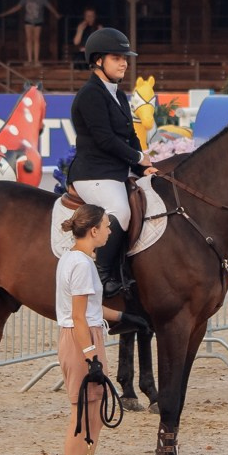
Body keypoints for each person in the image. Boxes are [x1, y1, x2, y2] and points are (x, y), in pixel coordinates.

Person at [69, 27, 155, 296]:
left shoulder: (117, 94)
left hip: (115, 171)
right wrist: (138, 157)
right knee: (121, 210)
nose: (124, 62)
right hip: (92, 173)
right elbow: (105, 140)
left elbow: (130, 135)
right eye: (117, 57)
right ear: (98, 60)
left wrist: (144, 166)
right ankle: (103, 275)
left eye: (125, 57)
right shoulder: (90, 95)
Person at [55, 203, 117, 455]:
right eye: (106, 225)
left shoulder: (73, 259)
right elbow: (79, 317)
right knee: (82, 417)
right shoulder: (81, 265)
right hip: (82, 340)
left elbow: (89, 309)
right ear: (93, 230)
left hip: (85, 336)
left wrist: (122, 317)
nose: (109, 230)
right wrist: (92, 356)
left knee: (94, 417)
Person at [0, 0, 59, 66]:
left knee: (36, 39)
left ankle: (36, 60)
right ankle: (30, 59)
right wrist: (5, 13)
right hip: (28, 21)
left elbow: (49, 6)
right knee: (28, 39)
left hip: (38, 21)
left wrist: (56, 14)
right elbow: (17, 7)